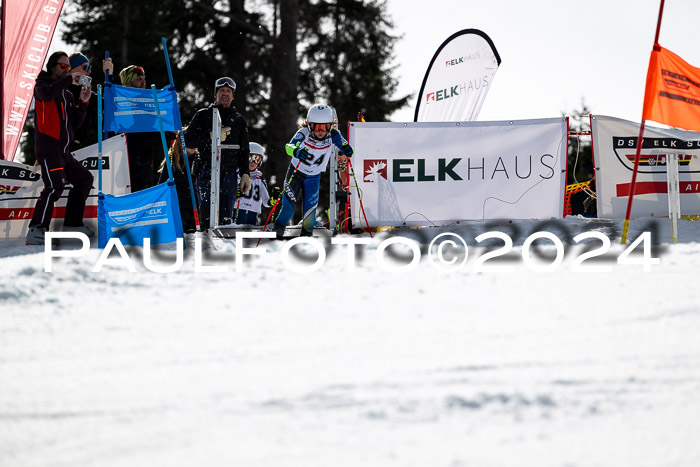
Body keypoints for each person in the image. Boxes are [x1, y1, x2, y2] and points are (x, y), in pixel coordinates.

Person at [25, 52, 94, 245]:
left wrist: (84, 101)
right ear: (52, 66)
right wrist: (69, 80)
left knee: (85, 179)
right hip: (49, 149)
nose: (67, 70)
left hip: (63, 152)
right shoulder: (42, 85)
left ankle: (72, 224)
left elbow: (76, 124)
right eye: (63, 66)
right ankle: (37, 229)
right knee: (55, 186)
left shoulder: (67, 94)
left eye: (68, 67)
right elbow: (45, 95)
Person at [272, 103, 353, 239]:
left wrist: (347, 150)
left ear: (330, 125)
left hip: (313, 177)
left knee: (310, 215)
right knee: (288, 210)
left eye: (325, 126)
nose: (321, 131)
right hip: (296, 173)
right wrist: (296, 151)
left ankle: (306, 239)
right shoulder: (304, 133)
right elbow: (288, 147)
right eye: (316, 126)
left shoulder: (334, 134)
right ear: (309, 124)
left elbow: (346, 147)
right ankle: (276, 234)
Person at [184, 76, 251, 229]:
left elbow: (244, 150)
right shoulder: (203, 115)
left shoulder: (239, 120)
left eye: (228, 91)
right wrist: (209, 136)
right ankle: (207, 247)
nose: (225, 94)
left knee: (226, 217)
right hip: (206, 170)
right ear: (215, 94)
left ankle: (225, 249)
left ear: (233, 96)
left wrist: (245, 173)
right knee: (207, 215)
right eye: (222, 91)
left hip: (229, 173)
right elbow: (188, 141)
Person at [118, 64, 165, 192]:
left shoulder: (149, 100)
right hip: (125, 156)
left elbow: (159, 123)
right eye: (139, 79)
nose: (143, 82)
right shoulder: (119, 101)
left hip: (145, 157)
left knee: (145, 190)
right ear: (128, 83)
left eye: (144, 78)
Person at [67, 52, 113, 151]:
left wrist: (109, 76)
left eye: (90, 68)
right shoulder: (59, 88)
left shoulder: (87, 93)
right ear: (72, 68)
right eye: (86, 68)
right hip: (58, 145)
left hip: (76, 147)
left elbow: (109, 105)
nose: (89, 72)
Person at [157, 131, 195, 233]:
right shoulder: (172, 160)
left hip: (195, 209)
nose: (194, 147)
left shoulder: (199, 158)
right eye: (190, 143)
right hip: (180, 209)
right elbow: (162, 185)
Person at [232, 142, 273, 225]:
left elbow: (266, 201)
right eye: (250, 158)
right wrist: (235, 194)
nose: (253, 162)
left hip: (253, 213)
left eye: (257, 159)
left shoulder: (260, 179)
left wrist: (273, 201)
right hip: (237, 210)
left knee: (250, 234)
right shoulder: (237, 176)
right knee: (235, 233)